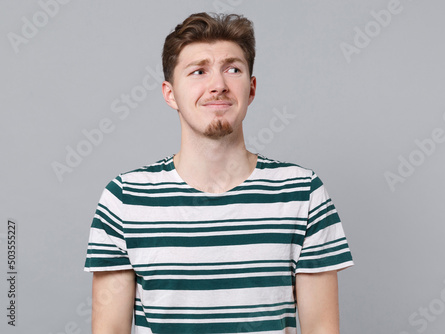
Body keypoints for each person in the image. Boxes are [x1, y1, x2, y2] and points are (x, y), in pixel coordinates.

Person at [84, 12, 353, 334]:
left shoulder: (302, 193)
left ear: (251, 89)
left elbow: (321, 328)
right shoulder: (125, 198)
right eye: (198, 71)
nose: (218, 85)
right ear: (170, 94)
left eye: (233, 69)